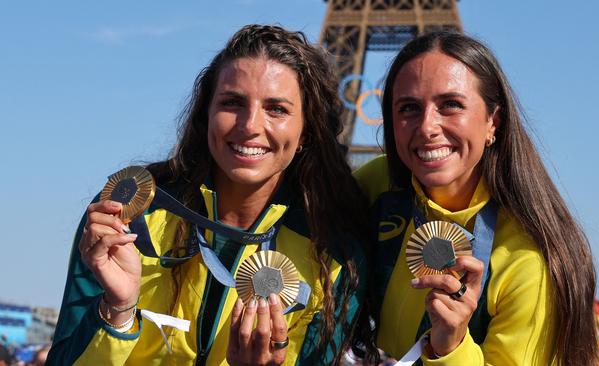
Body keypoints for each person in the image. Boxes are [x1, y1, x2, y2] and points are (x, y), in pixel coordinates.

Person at [47, 24, 369, 365]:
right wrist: (118, 311)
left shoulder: (335, 257)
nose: (250, 126)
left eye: (276, 108)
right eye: (233, 102)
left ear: (306, 130)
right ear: (207, 115)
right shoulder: (129, 214)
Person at [355, 31, 598, 365]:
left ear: (492, 123)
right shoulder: (373, 184)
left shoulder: (529, 259)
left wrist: (452, 347)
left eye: (450, 105)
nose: (427, 126)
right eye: (409, 107)